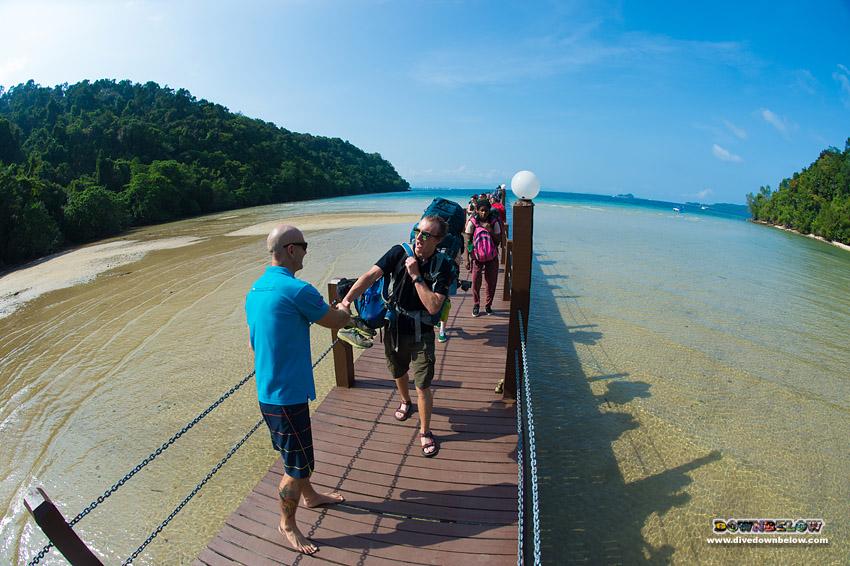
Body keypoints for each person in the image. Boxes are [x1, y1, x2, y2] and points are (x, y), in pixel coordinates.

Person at [245, 224, 352, 555]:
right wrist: (346, 307)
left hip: (268, 392)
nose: (307, 251)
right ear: (290, 250)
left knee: (295, 455)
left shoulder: (255, 289)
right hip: (286, 396)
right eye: (304, 245)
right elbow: (334, 321)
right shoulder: (297, 290)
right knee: (297, 467)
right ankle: (287, 525)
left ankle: (310, 496)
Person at [340, 215, 453, 457]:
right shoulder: (399, 252)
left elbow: (434, 306)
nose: (419, 238)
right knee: (398, 370)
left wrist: (416, 276)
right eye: (417, 231)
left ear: (438, 239)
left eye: (426, 235)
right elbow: (370, 275)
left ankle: (425, 431)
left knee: (422, 383)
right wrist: (347, 300)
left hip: (422, 330)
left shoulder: (443, 265)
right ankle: (405, 401)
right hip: (394, 326)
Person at [465, 198, 501, 316]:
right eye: (481, 211)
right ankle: (476, 304)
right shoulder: (472, 223)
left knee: (491, 282)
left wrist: (490, 230)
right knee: (476, 282)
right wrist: (468, 259)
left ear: (489, 210)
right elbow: (468, 242)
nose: (484, 213)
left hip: (492, 257)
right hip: (477, 258)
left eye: (486, 211)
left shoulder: (494, 222)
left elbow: (498, 241)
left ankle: (488, 305)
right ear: (477, 210)